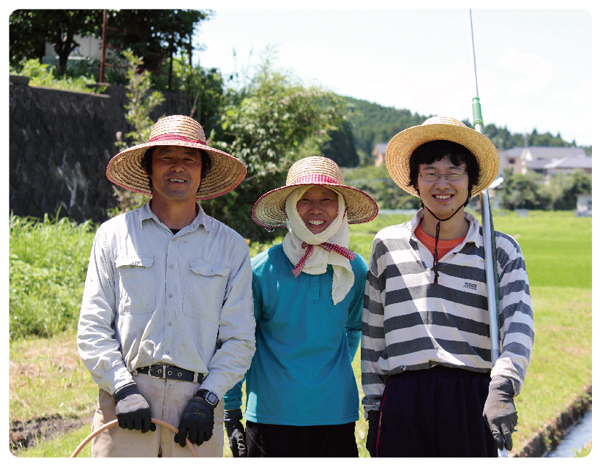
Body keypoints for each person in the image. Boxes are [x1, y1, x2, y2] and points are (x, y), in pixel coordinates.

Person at [77, 115, 256, 457]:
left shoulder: (231, 247)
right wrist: (122, 388)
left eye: (189, 158)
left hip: (196, 409)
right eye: (166, 157)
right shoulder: (113, 236)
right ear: (148, 167)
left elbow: (239, 338)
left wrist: (209, 397)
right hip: (124, 405)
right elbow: (92, 328)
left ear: (202, 170)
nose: (178, 167)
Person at [361, 117, 534, 457]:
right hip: (403, 396)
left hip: (472, 396)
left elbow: (519, 326)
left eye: (455, 172)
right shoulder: (387, 244)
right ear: (415, 181)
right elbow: (373, 333)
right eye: (430, 172)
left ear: (471, 183)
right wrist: (373, 407)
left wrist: (502, 387)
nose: (443, 183)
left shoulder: (500, 249)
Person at [222, 156, 378, 457]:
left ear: (342, 208)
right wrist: (231, 410)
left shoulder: (355, 269)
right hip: (269, 416)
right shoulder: (260, 271)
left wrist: (329, 370)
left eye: (327, 199)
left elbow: (354, 327)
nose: (316, 209)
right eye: (304, 199)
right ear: (288, 208)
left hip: (336, 415)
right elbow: (237, 341)